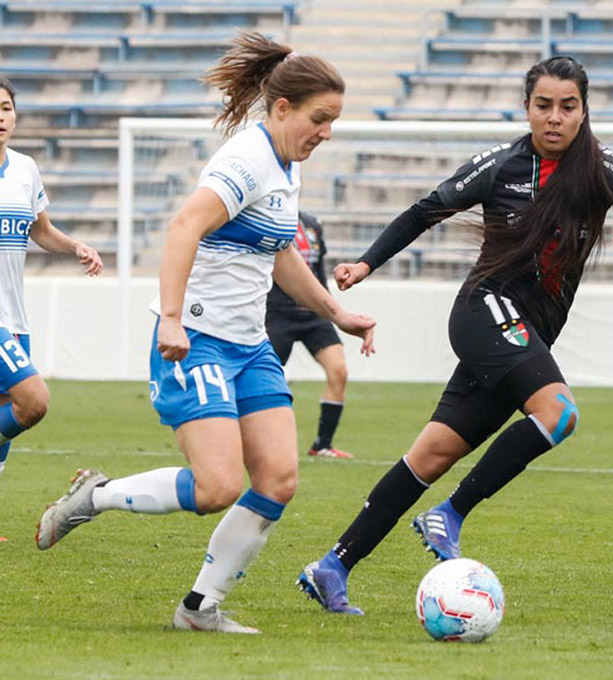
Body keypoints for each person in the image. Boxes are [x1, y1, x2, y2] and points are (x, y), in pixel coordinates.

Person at [296, 56, 613, 615]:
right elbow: (424, 211)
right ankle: (449, 514)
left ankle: (332, 566)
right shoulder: (499, 166)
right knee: (559, 414)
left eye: (567, 106)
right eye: (542, 105)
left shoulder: (603, 169)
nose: (554, 117)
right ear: (526, 109)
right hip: (485, 310)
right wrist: (366, 263)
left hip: (525, 335)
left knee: (427, 457)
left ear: (583, 110)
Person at [34, 33, 375, 633]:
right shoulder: (245, 161)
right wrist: (169, 317)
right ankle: (96, 496)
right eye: (320, 119)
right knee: (218, 485)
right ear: (282, 109)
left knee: (279, 479)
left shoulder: (284, 165)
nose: (327, 133)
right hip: (198, 340)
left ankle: (200, 609)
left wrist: (334, 312)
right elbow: (182, 227)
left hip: (249, 345)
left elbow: (279, 254)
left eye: (335, 122)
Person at [0, 77, 103, 542]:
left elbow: (41, 230)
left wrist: (75, 246)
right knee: (33, 401)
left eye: (5, 108)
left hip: (13, 316)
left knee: (7, 410)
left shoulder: (25, 169)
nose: (0, 117)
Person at [266, 210, 354, 459]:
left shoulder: (312, 224)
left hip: (314, 315)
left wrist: (329, 306)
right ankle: (260, 442)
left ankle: (322, 445)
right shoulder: (270, 219)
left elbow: (317, 270)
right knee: (265, 378)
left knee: (338, 370)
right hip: (277, 313)